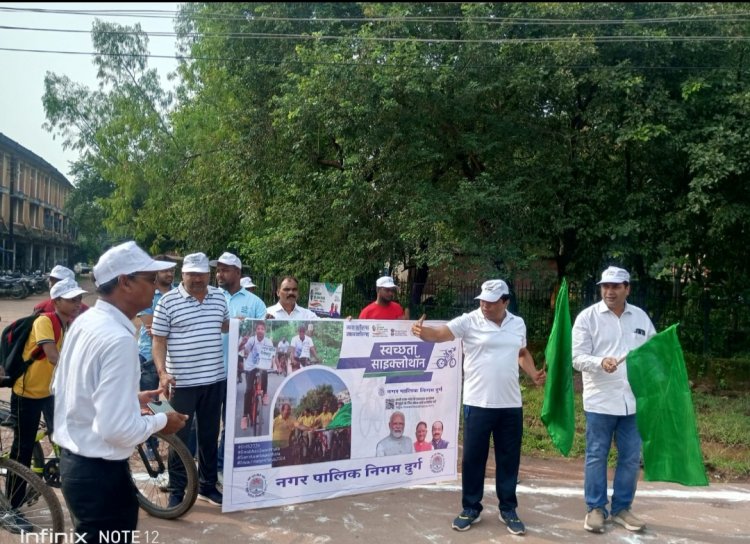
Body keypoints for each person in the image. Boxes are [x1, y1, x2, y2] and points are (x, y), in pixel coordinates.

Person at [51, 241, 187, 543]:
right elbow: (116, 429)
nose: (155, 287)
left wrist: (130, 399)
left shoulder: (87, 322)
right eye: (149, 280)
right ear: (125, 282)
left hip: (79, 466)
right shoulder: (117, 339)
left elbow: (67, 387)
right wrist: (163, 422)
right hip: (100, 475)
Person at [411, 279, 546, 535]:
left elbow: (521, 353)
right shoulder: (469, 320)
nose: (485, 305)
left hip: (510, 404)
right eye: (482, 300)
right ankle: (470, 508)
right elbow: (442, 334)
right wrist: (423, 332)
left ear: (505, 302)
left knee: (509, 459)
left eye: (491, 302)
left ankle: (508, 509)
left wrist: (533, 373)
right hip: (477, 403)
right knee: (474, 459)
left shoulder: (517, 323)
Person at [572, 266, 656, 534]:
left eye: (616, 286)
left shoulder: (640, 317)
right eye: (605, 286)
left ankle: (621, 509)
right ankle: (595, 508)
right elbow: (577, 357)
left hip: (632, 401)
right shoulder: (588, 318)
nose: (609, 291)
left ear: (627, 288)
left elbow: (653, 351)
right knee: (596, 455)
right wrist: (600, 361)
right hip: (600, 401)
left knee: (631, 458)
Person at [6, 278, 87, 529]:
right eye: (71, 299)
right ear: (56, 301)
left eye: (79, 298)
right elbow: (53, 356)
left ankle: (56, 483)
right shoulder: (45, 321)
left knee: (62, 438)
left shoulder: (66, 323)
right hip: (27, 393)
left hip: (50, 393)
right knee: (22, 450)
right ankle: (11, 509)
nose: (77, 303)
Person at [152, 252, 229, 508]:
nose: (197, 279)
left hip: (214, 380)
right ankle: (177, 489)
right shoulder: (168, 302)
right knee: (179, 438)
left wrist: (254, 325)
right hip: (181, 384)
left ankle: (207, 486)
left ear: (209, 274)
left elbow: (226, 326)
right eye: (192, 274)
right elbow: (158, 341)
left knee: (209, 436)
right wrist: (162, 372)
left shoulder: (219, 297)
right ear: (182, 274)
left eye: (202, 274)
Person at [211, 252, 266, 473]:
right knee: (205, 425)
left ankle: (223, 468)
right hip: (210, 372)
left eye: (224, 270)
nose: (219, 274)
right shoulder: (209, 297)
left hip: (237, 371)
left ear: (237, 273)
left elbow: (262, 333)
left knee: (229, 424)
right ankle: (202, 469)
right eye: (217, 269)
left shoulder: (255, 303)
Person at [241, 321, 274, 433]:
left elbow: (272, 356)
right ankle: (245, 416)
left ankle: (264, 394)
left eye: (262, 329)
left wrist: (276, 366)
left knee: (264, 372)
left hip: (262, 366)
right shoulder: (252, 340)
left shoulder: (268, 342)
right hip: (250, 367)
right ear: (256, 331)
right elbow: (246, 351)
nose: (260, 330)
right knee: (249, 389)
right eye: (258, 329)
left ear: (264, 331)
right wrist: (245, 348)